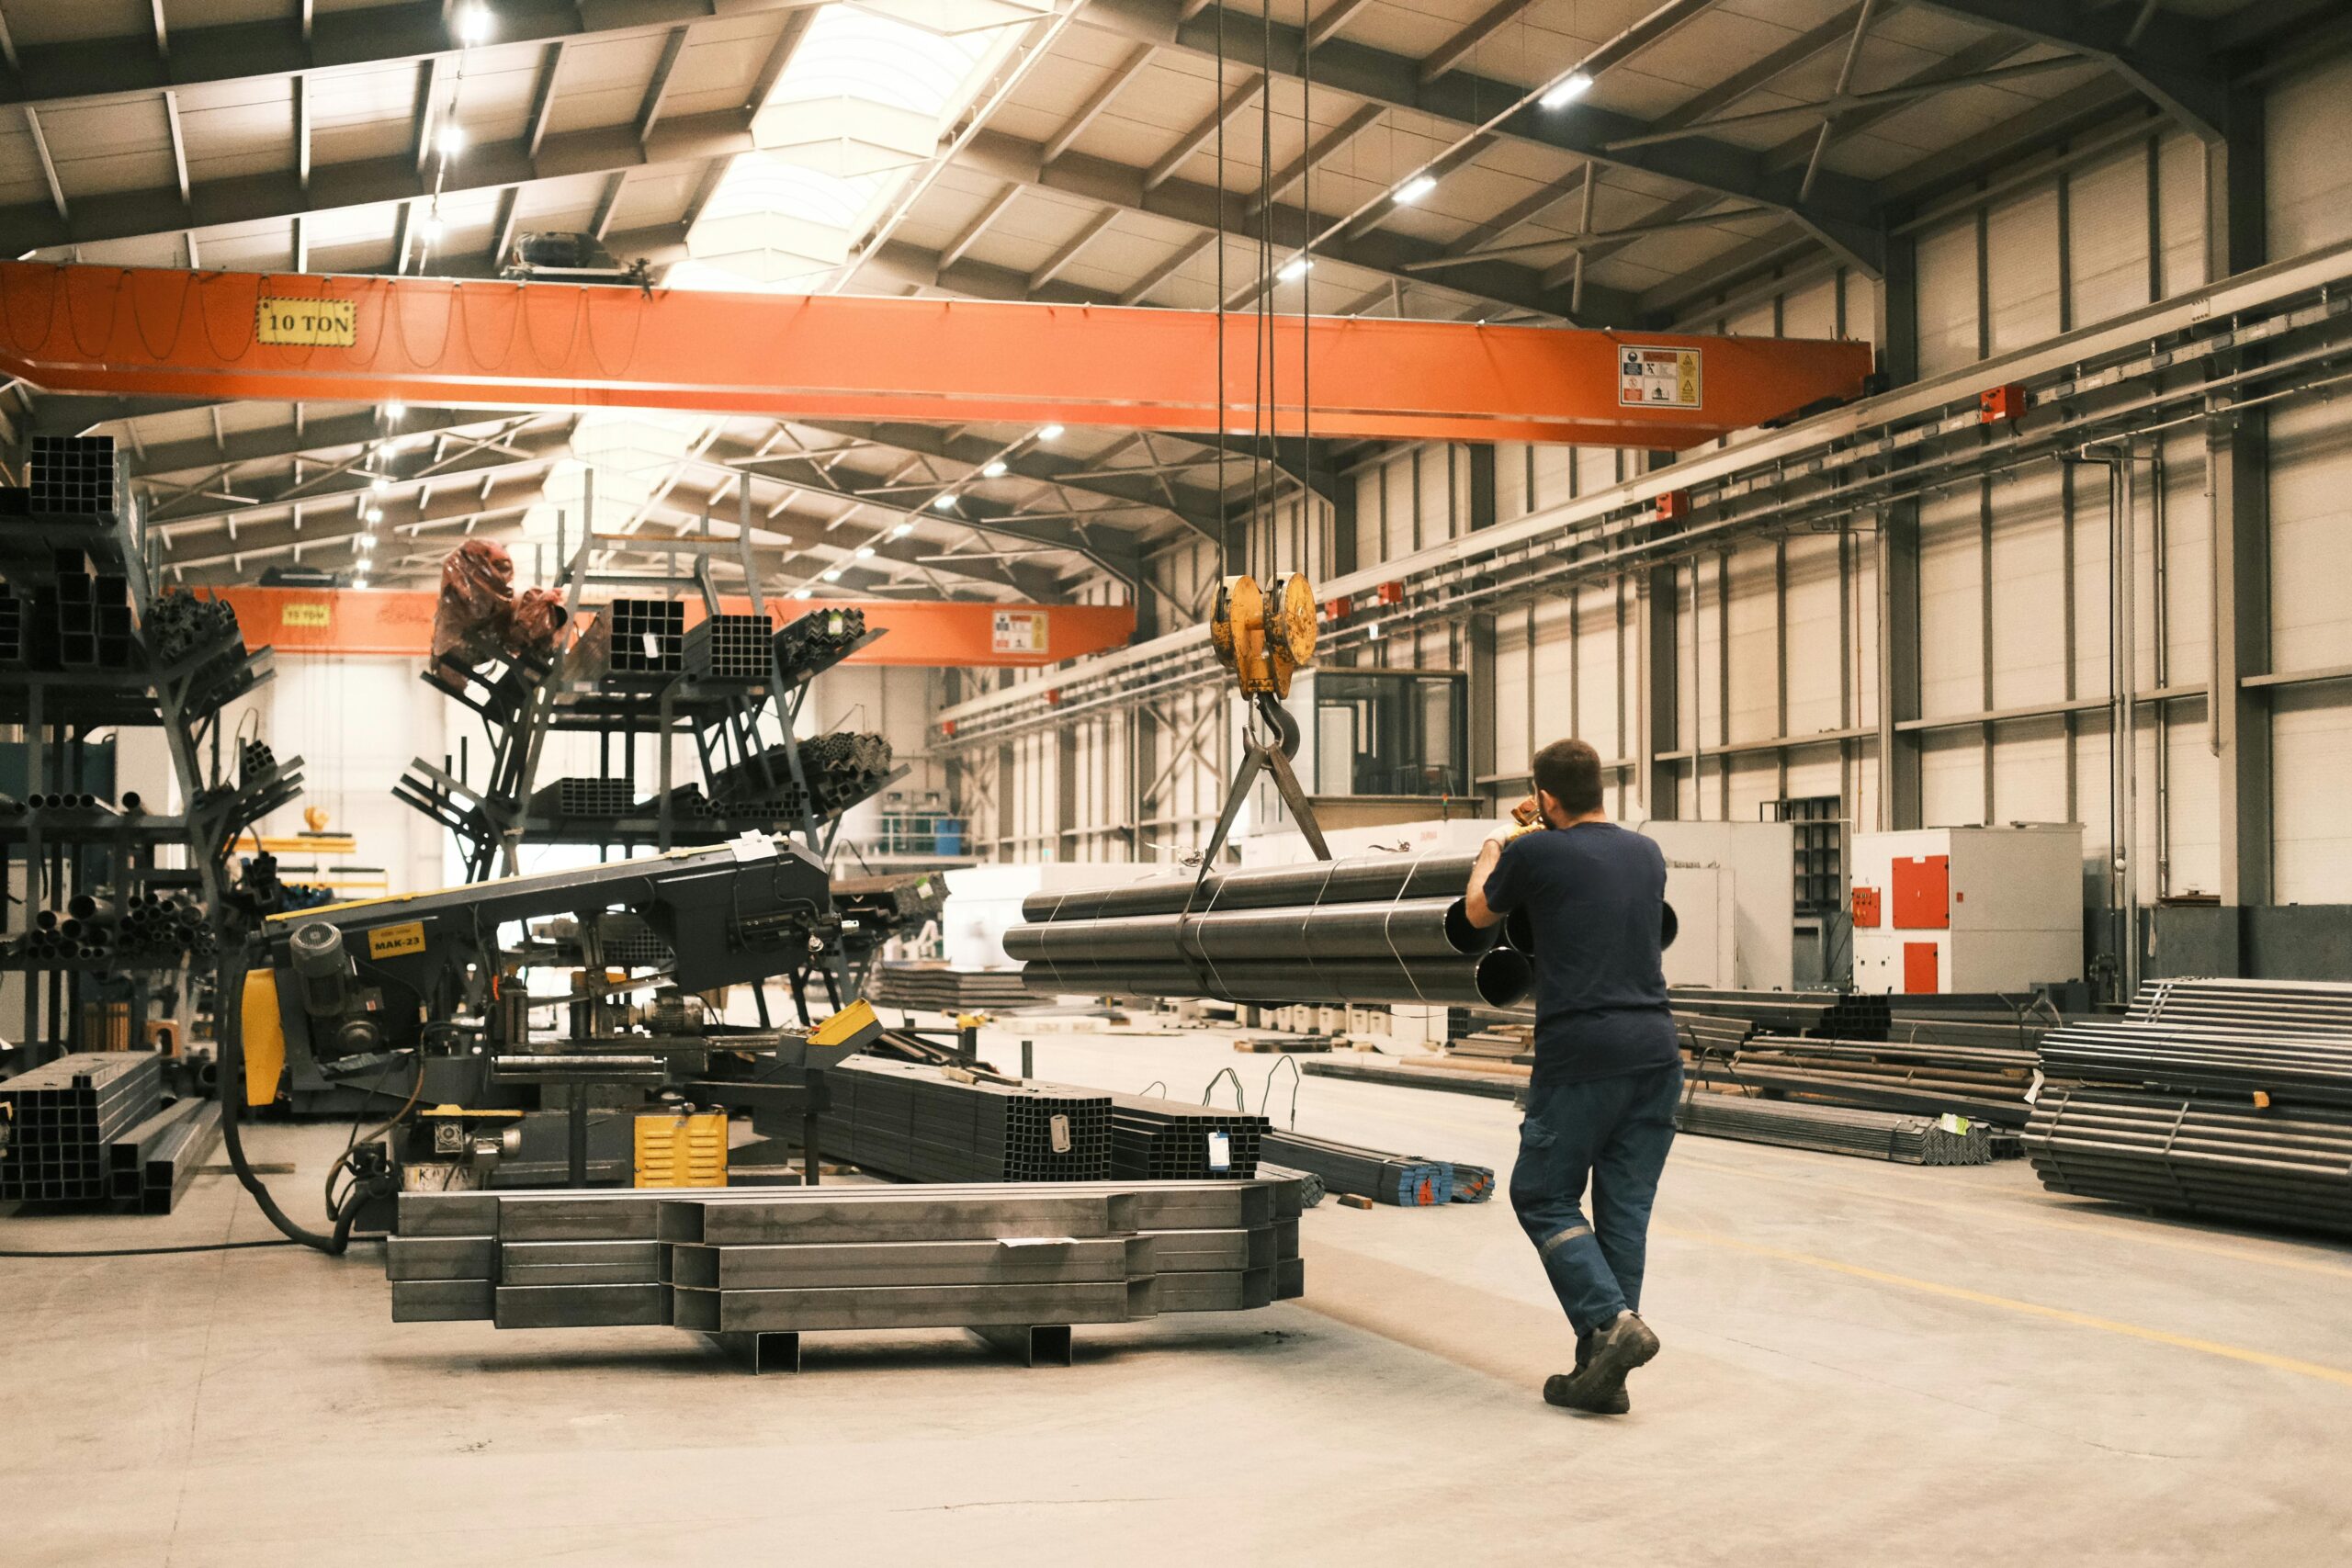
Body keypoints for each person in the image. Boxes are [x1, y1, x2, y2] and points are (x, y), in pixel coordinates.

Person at [1465, 737, 1681, 1416]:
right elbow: (1587, 877)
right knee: (1624, 1212)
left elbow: (1477, 913)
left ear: (1547, 796)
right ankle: (1602, 1372)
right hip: (1655, 1054)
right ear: (1601, 790)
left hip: (1582, 1051)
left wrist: (1495, 847)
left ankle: (1612, 1325)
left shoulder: (1531, 851)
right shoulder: (1645, 852)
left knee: (1541, 1193)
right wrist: (1547, 825)